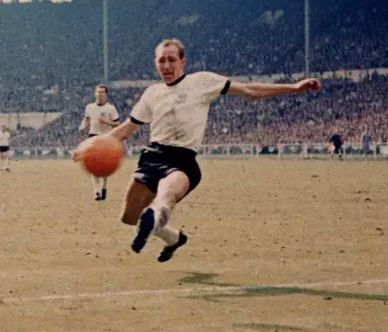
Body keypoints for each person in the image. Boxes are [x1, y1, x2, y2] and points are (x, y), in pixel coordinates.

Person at [77, 39, 320, 262]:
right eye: (162, 60)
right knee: (129, 218)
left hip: (182, 160)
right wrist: (89, 146)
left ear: (183, 61)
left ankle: (157, 213)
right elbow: (126, 128)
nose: (167, 65)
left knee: (165, 195)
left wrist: (294, 88)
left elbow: (249, 91)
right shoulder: (152, 93)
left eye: (172, 59)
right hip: (152, 157)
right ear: (155, 63)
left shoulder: (202, 81)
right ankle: (173, 238)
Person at [79, 85, 120, 200]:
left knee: (104, 166)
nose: (100, 94)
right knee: (92, 164)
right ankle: (96, 191)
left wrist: (106, 122)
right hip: (93, 136)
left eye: (102, 92)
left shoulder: (111, 108)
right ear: (95, 93)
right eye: (98, 92)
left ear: (106, 94)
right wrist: (83, 126)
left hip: (106, 138)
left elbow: (117, 124)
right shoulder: (89, 107)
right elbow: (86, 118)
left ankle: (103, 187)